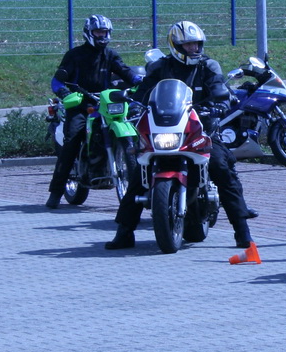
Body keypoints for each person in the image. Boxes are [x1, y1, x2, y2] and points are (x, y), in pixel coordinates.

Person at [104, 20, 255, 251]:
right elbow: (144, 91)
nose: (194, 48)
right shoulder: (159, 67)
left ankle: (242, 232)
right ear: (175, 45)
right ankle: (124, 233)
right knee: (139, 173)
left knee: (220, 166)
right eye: (188, 45)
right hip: (165, 129)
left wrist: (220, 104)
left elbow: (219, 89)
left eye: (197, 44)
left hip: (201, 129)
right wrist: (134, 105)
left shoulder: (208, 66)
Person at [45, 14, 136, 208]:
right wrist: (64, 92)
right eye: (98, 32)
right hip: (81, 105)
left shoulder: (110, 55)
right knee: (72, 139)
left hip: (105, 104)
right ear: (89, 33)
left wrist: (140, 81)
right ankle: (56, 192)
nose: (102, 35)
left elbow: (126, 71)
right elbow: (57, 81)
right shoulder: (74, 55)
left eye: (104, 32)